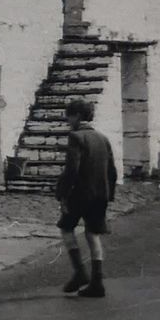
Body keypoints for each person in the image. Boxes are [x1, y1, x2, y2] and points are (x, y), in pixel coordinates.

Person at [56, 98, 117, 298]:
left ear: (78, 116)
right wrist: (109, 195)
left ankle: (80, 272)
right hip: (100, 195)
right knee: (93, 235)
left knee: (66, 229)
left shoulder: (76, 137)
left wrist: (62, 193)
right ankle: (97, 282)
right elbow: (112, 171)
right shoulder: (103, 138)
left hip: (80, 195)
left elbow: (72, 170)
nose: (67, 120)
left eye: (69, 115)